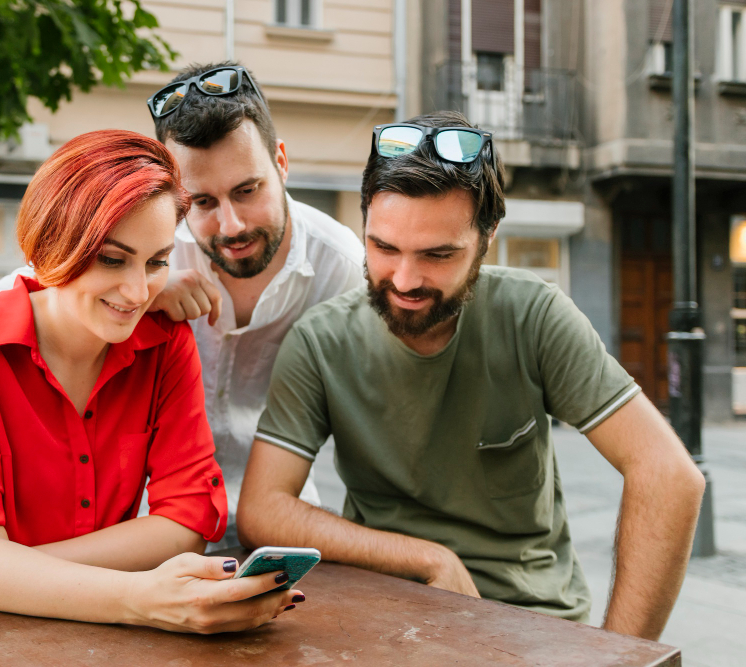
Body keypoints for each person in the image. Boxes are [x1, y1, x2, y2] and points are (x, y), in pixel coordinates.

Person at [236, 111, 706, 640]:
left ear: (487, 238)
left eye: (439, 254)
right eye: (384, 248)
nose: (405, 280)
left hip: (531, 624)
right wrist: (427, 558)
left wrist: (621, 656)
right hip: (383, 614)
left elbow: (670, 477)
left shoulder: (535, 315)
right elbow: (263, 509)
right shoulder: (320, 340)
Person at [0, 130, 304, 639]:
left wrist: (3, 577)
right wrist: (138, 598)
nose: (138, 291)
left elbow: (185, 523)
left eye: (158, 261)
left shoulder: (164, 346)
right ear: (53, 243)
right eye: (113, 260)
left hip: (36, 621)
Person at [0, 62, 365, 547]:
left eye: (248, 191)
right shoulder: (146, 247)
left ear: (282, 162)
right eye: (203, 203)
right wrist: (133, 289)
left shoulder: (341, 266)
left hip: (279, 526)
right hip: (146, 535)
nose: (231, 225)